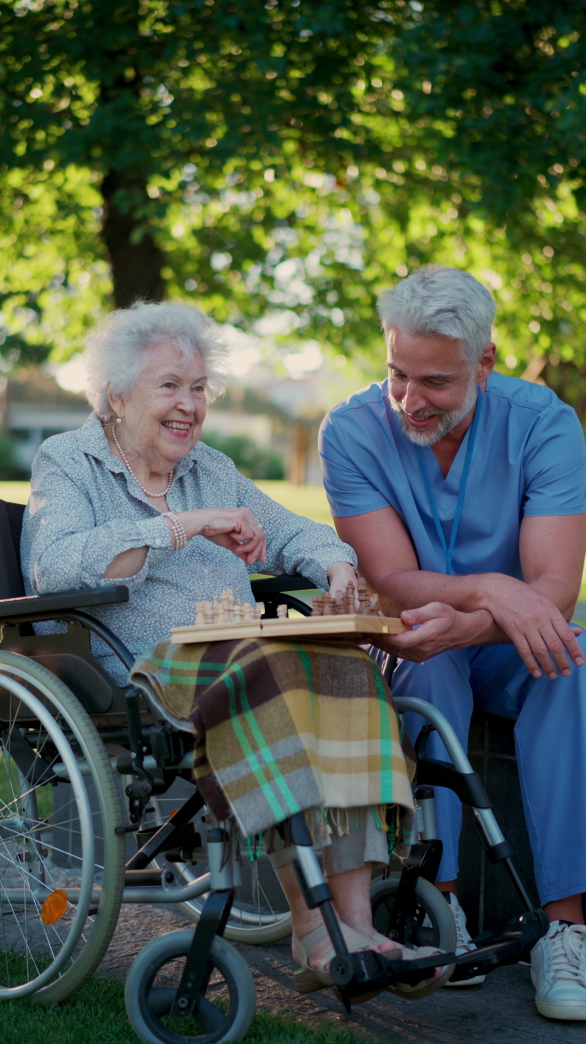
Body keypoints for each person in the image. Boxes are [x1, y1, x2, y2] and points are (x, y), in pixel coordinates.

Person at [21, 299, 450, 999]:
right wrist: (183, 526)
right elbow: (59, 567)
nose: (189, 405)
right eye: (170, 387)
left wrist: (337, 569)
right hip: (138, 663)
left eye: (198, 389)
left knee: (346, 666)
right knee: (272, 672)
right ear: (116, 393)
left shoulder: (209, 466)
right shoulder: (69, 460)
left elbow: (294, 531)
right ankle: (314, 928)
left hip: (238, 653)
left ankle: (355, 921)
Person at [319, 265, 586, 1021]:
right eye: (397, 374)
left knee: (576, 658)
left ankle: (566, 930)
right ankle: (441, 911)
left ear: (485, 362)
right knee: (428, 650)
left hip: (512, 644)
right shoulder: (350, 430)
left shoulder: (544, 423)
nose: (410, 400)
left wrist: (487, 611)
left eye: (435, 381)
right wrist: (489, 589)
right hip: (412, 636)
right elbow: (389, 578)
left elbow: (553, 589)